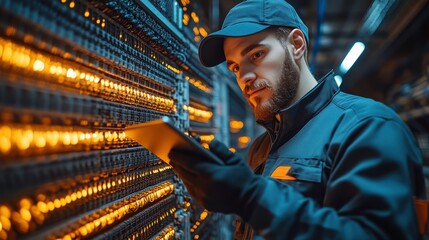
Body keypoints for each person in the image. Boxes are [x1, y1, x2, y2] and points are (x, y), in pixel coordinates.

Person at [168, 0, 427, 239]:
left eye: (256, 55)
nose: (244, 76)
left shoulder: (367, 127)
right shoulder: (261, 149)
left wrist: (251, 197)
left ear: (296, 45)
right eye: (235, 66)